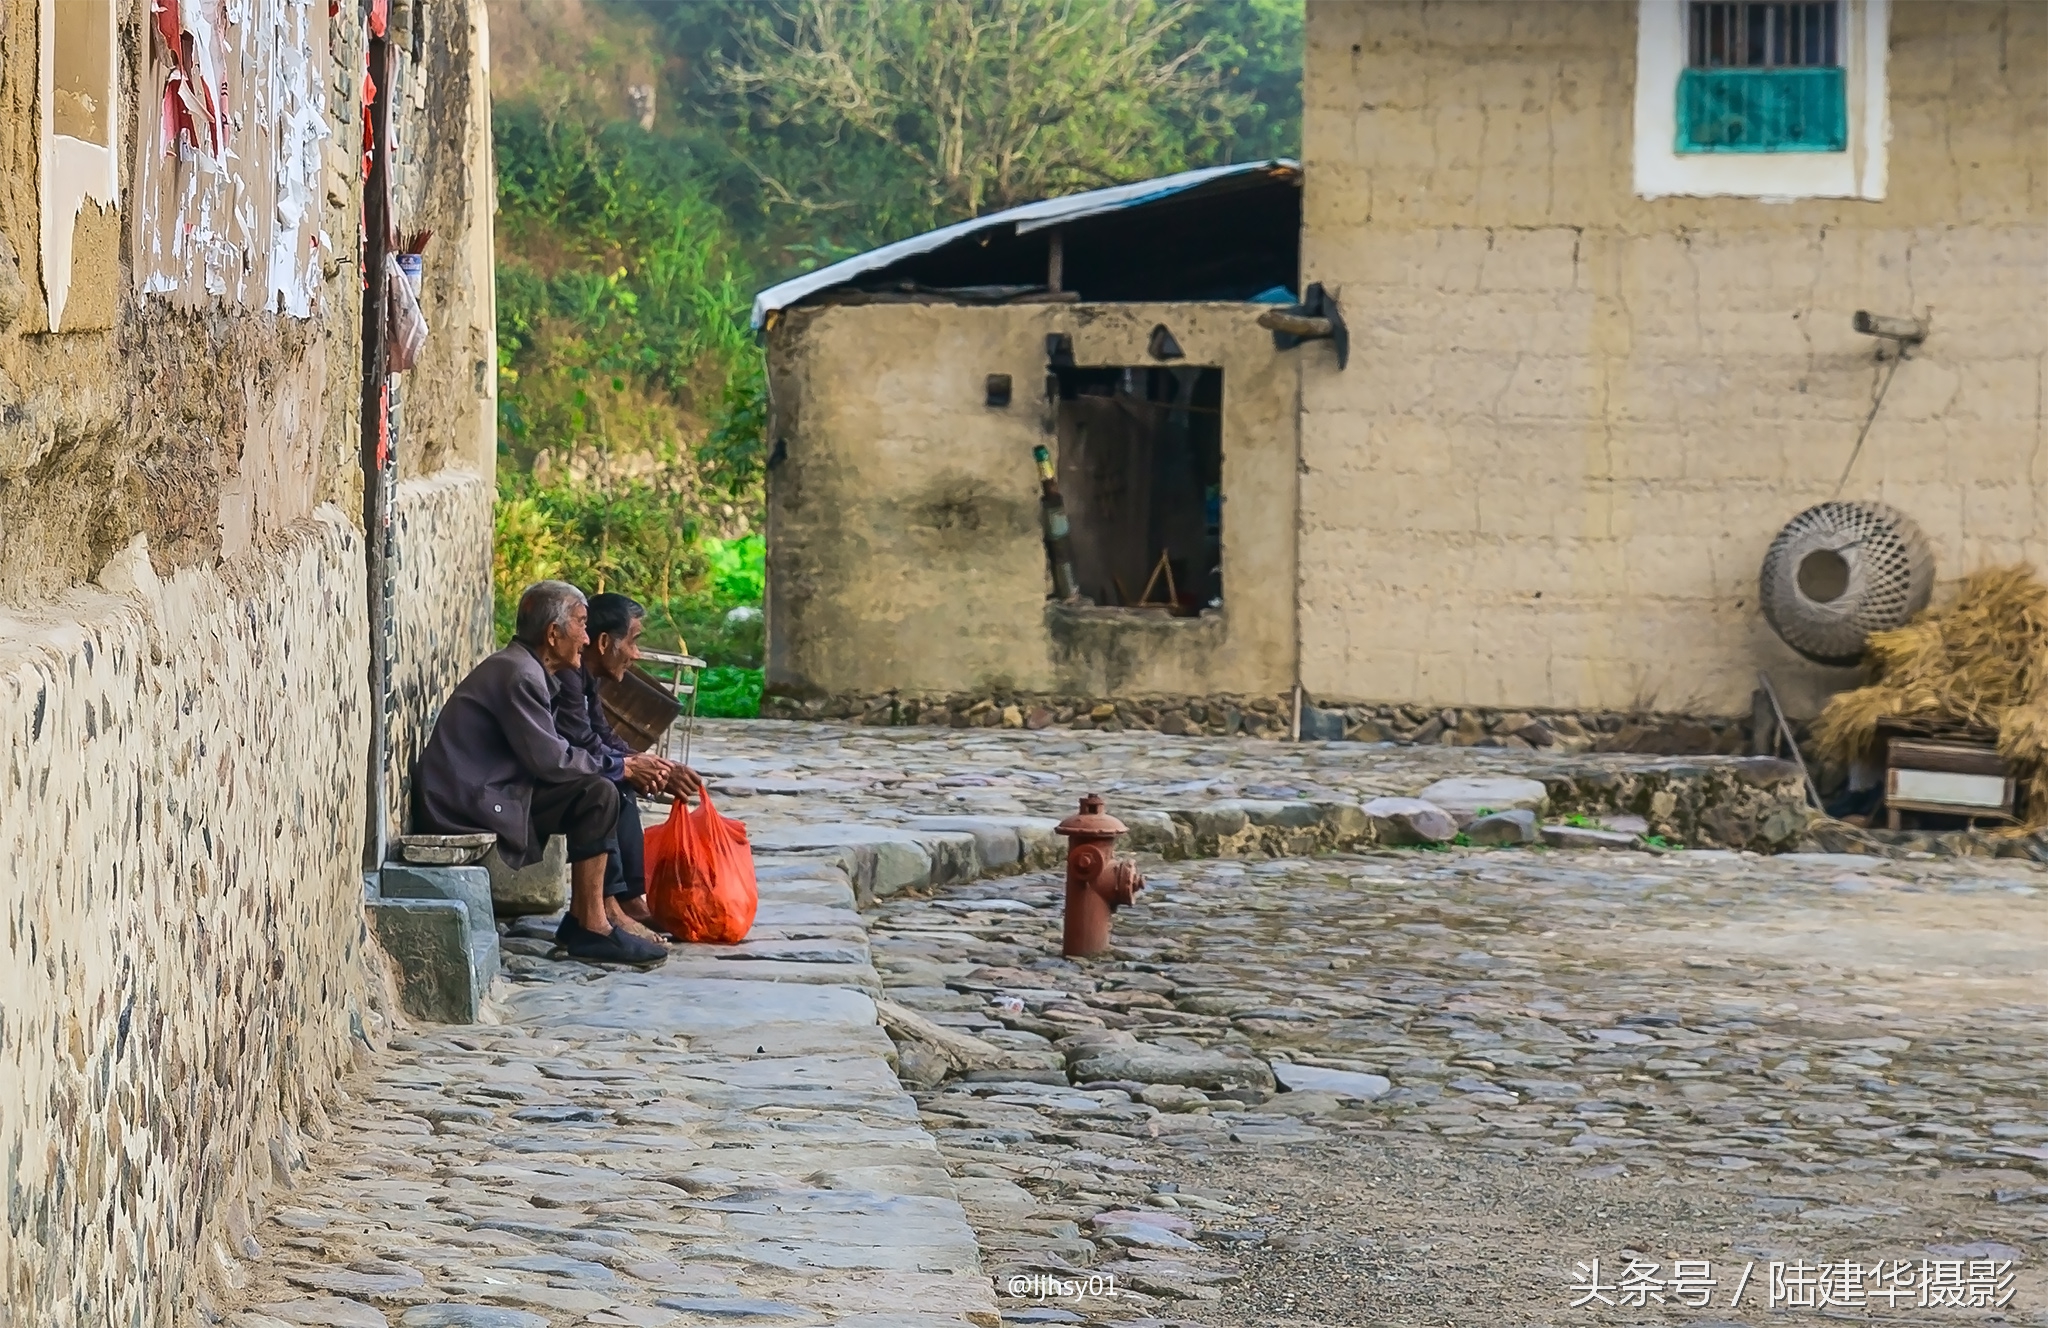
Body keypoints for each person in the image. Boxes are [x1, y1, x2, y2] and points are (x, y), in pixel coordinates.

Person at [414, 580, 667, 967]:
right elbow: (550, 760)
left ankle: (589, 918)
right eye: (581, 625)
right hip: (465, 802)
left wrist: (622, 765)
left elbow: (577, 743)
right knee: (598, 792)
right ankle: (594, 925)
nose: (586, 637)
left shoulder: (531, 671)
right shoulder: (520, 674)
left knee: (600, 791)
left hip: (490, 791)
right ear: (553, 634)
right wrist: (621, 766)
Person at [553, 592, 703, 945]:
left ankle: (628, 900)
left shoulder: (584, 679)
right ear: (604, 642)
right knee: (610, 786)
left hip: (559, 772)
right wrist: (633, 766)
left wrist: (656, 767)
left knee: (621, 779)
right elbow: (584, 746)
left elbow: (601, 735)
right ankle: (611, 906)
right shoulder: (566, 678)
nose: (636, 655)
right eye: (633, 642)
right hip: (525, 789)